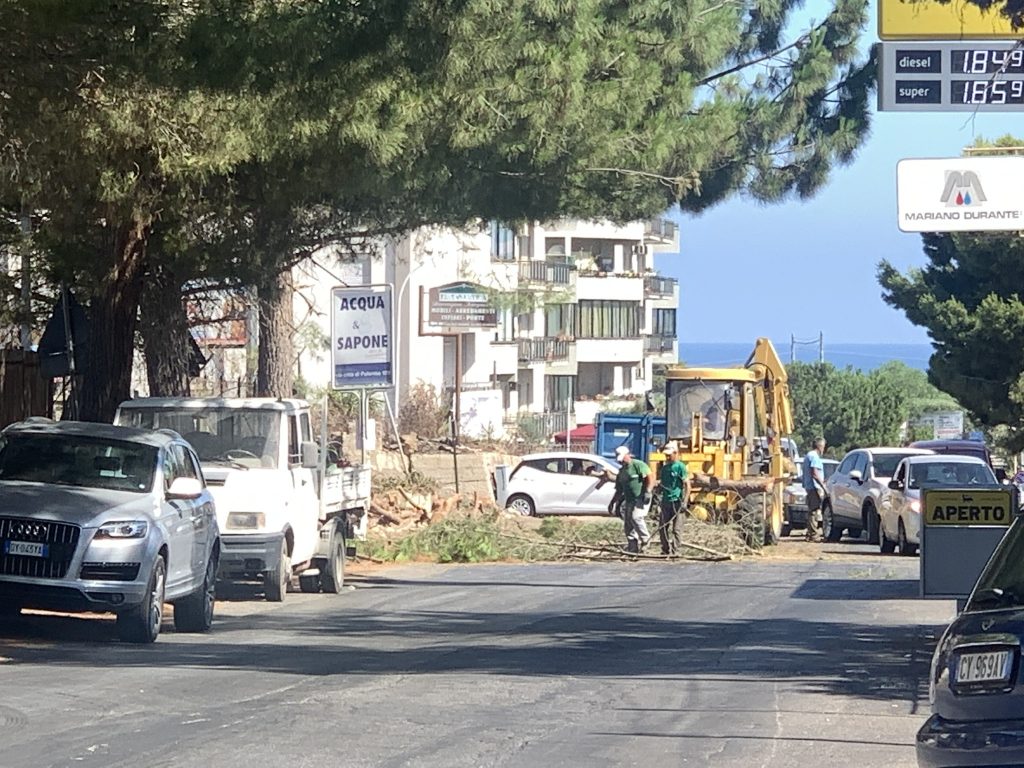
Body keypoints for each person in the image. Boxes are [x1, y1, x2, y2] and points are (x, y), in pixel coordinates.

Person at [614, 445, 654, 551]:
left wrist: (648, 491)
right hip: (629, 500)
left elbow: (650, 477)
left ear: (627, 455)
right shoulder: (622, 471)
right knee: (628, 522)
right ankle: (632, 546)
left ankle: (646, 540)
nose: (621, 462)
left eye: (622, 459)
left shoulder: (638, 465)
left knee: (636, 517)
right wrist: (613, 503)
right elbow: (619, 489)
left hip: (640, 498)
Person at [658, 442, 690, 556]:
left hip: (677, 502)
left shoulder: (680, 466)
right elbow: (662, 484)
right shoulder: (665, 468)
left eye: (669, 455)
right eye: (666, 455)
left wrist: (685, 501)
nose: (667, 457)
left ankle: (676, 551)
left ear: (675, 453)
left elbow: (687, 485)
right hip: (666, 502)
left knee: (676, 529)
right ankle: (665, 549)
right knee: (662, 528)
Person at [803, 437, 828, 542]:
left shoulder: (808, 455)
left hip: (809, 486)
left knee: (811, 511)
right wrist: (823, 486)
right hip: (814, 487)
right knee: (814, 511)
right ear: (820, 447)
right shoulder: (814, 457)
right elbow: (815, 473)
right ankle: (813, 535)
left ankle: (810, 533)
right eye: (823, 447)